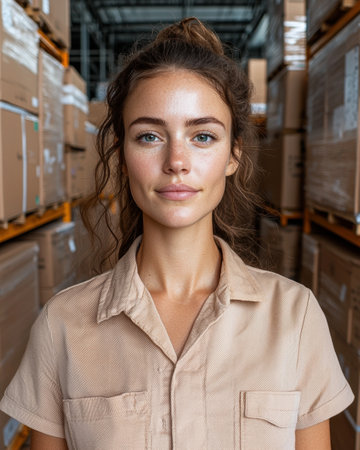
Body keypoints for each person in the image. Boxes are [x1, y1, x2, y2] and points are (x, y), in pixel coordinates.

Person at [0, 17, 354, 450]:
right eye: (149, 136)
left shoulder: (295, 318)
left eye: (202, 136)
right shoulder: (63, 326)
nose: (177, 161)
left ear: (232, 155)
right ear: (122, 153)